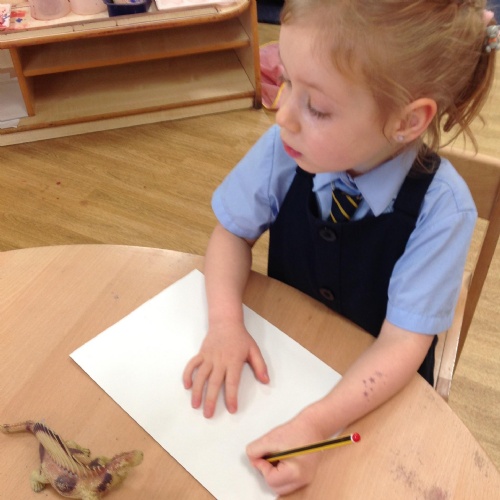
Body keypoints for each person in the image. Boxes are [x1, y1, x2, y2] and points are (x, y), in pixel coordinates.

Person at [183, 0, 498, 495]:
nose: (282, 114)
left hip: (374, 397)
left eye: (317, 107)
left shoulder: (443, 209)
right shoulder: (286, 149)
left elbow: (402, 344)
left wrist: (316, 425)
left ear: (407, 121)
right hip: (286, 357)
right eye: (286, 80)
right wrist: (224, 324)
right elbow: (231, 234)